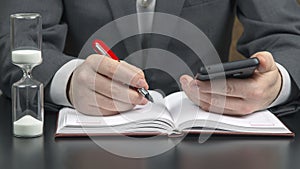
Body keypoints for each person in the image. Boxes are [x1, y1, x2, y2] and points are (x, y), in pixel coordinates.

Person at [0, 0, 300, 116]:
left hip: (213, 145)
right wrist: (69, 80)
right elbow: (18, 41)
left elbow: (288, 38)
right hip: (73, 142)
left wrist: (275, 84)